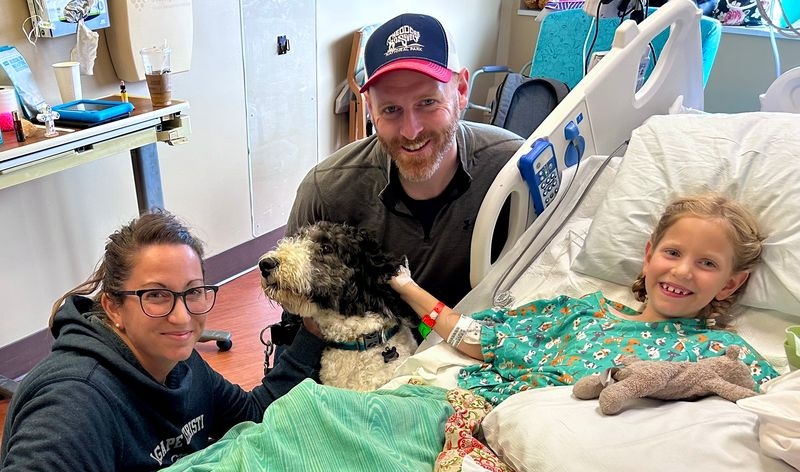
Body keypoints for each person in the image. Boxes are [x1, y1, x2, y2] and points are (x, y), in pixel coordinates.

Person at [272, 12, 526, 357]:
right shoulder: (326, 192)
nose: (411, 130)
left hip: (481, 352)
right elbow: (298, 321)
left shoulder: (514, 169)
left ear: (461, 90)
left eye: (427, 103)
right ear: (369, 109)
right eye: (390, 109)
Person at [0, 211, 325, 472]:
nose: (181, 317)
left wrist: (310, 333)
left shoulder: (182, 364)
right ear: (114, 307)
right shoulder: (75, 401)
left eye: (193, 291)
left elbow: (254, 414)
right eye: (156, 295)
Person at [390, 194, 781, 405]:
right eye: (673, 253)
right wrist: (404, 285)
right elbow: (473, 338)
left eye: (707, 263)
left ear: (730, 285)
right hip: (488, 426)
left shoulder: (723, 354)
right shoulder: (577, 314)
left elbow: (777, 411)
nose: (682, 271)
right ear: (648, 256)